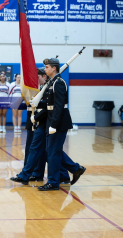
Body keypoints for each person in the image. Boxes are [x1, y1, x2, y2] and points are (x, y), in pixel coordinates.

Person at [10, 68, 71, 184]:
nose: (35, 81)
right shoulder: (44, 87)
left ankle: (68, 171)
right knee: (40, 150)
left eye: (37, 77)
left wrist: (37, 118)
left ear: (44, 76)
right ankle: (34, 174)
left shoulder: (55, 85)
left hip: (46, 122)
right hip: (40, 122)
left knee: (51, 151)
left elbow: (52, 107)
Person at [37, 58, 86, 191]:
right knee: (52, 151)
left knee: (52, 152)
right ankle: (76, 168)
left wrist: (54, 125)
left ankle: (53, 182)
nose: (45, 69)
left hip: (58, 122)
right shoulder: (52, 82)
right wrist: (35, 104)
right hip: (52, 120)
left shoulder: (59, 83)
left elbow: (59, 106)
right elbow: (49, 104)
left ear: (54, 68)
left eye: (47, 67)